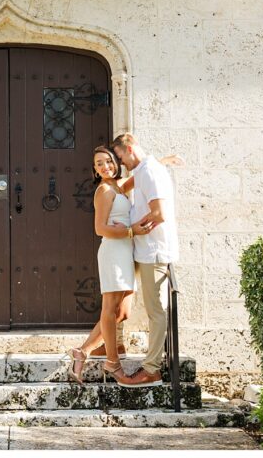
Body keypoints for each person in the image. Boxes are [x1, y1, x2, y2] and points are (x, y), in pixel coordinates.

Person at [67, 145, 182, 385]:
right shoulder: (104, 191)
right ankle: (112, 363)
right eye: (99, 164)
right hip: (114, 252)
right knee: (110, 309)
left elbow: (142, 173)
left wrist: (161, 161)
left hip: (126, 252)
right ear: (95, 170)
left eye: (108, 161)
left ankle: (84, 351)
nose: (105, 166)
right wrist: (131, 231)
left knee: (124, 311)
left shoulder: (118, 185)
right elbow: (100, 229)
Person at [112, 132, 179, 388]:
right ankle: (113, 343)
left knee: (156, 311)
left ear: (129, 147)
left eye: (120, 157)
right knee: (121, 299)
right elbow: (121, 185)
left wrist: (132, 227)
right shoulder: (144, 170)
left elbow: (159, 214)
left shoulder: (150, 172)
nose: (121, 163)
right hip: (141, 250)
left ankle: (152, 370)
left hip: (153, 251)